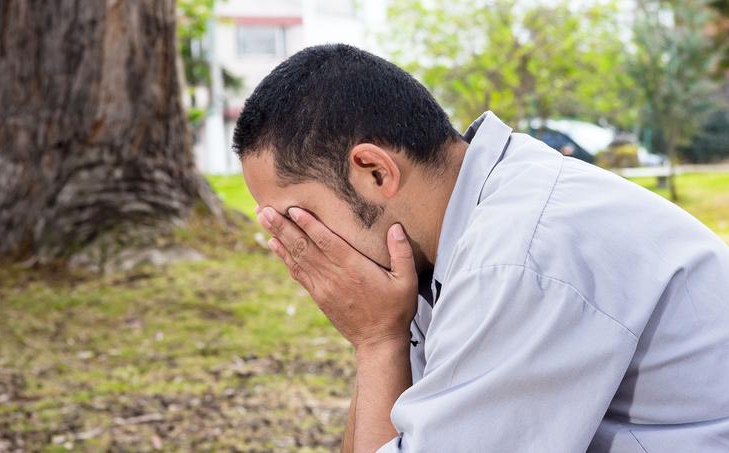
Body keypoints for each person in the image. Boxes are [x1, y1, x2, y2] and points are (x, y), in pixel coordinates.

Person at [233, 44, 729, 452]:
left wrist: (376, 341)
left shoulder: (516, 257)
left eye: (297, 217)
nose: (294, 245)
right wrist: (379, 336)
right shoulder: (447, 236)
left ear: (376, 172)